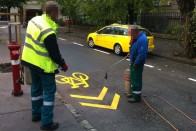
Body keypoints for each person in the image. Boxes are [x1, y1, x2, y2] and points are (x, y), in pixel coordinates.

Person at [21, 1, 68, 130]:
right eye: (58, 12)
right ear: (53, 12)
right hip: (43, 66)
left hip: (30, 61)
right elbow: (55, 54)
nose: (59, 15)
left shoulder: (34, 20)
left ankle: (36, 114)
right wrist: (63, 64)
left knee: (36, 88)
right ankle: (46, 122)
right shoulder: (48, 31)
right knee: (49, 92)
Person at [127, 25, 148, 103]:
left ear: (134, 32)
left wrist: (136, 63)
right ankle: (133, 93)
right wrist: (130, 53)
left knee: (136, 80)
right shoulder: (136, 37)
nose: (129, 34)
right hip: (133, 62)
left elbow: (142, 54)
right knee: (133, 78)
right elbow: (134, 47)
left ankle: (136, 97)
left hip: (137, 64)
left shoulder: (142, 40)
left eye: (129, 32)